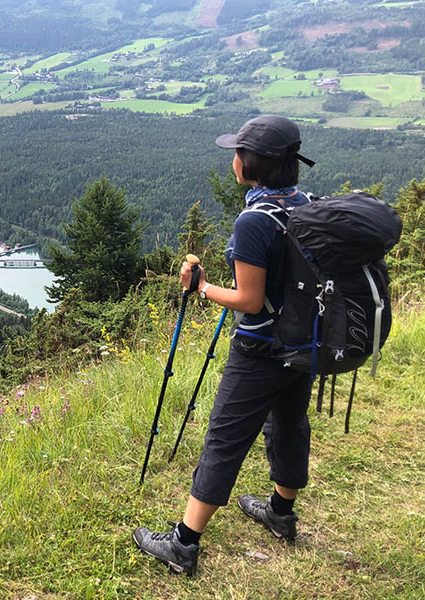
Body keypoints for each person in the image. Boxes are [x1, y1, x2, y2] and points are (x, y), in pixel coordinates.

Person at [132, 115, 317, 576]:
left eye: (237, 152)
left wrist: (201, 288)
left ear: (249, 163)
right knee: (290, 423)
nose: (232, 159)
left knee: (225, 438)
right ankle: (280, 512)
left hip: (261, 350)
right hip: (303, 342)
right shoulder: (307, 203)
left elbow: (249, 301)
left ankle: (184, 543)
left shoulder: (255, 220)